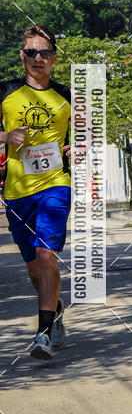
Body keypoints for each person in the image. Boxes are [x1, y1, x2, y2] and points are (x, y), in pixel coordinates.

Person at [0, 25, 71, 361]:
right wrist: (5, 137)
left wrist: (77, 149)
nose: (38, 58)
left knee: (47, 257)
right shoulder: (5, 93)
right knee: (34, 268)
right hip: (17, 191)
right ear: (22, 55)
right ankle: (54, 308)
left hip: (56, 184)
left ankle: (41, 335)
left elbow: (86, 136)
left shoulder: (69, 96)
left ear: (54, 57)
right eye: (31, 52)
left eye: (44, 53)